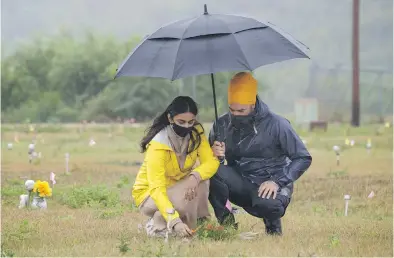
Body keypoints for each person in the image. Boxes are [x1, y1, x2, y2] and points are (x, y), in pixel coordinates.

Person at [208, 72, 312, 235]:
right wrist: (216, 156)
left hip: (271, 183)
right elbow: (211, 165)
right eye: (232, 110)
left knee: (270, 205)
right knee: (211, 171)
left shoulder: (278, 124)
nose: (235, 115)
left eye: (241, 110)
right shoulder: (221, 124)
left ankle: (273, 226)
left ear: (253, 104)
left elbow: (303, 157)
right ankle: (227, 227)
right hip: (241, 182)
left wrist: (277, 182)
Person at [132, 96, 219, 238]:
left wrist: (194, 177)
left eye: (191, 121)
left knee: (201, 180)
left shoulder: (196, 132)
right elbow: (156, 188)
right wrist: (175, 221)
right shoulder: (158, 144)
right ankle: (157, 225)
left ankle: (201, 222)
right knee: (187, 192)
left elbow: (210, 162)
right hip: (150, 195)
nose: (186, 126)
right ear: (170, 118)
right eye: (181, 122)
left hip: (178, 187)